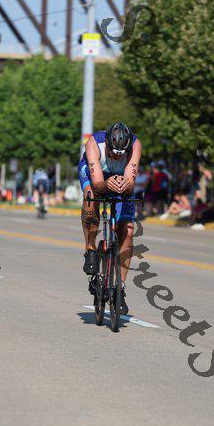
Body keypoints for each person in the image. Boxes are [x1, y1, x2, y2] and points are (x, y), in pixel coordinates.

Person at [78, 121, 142, 315]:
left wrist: (125, 185)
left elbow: (130, 183)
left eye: (121, 154)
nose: (117, 157)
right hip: (96, 176)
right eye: (114, 153)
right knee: (90, 197)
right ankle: (90, 248)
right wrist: (107, 184)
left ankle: (119, 289)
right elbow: (98, 185)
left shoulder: (135, 145)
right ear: (107, 144)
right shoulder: (93, 144)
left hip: (120, 178)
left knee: (128, 230)